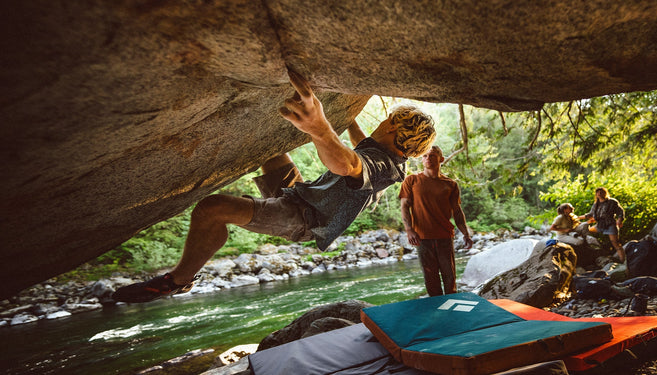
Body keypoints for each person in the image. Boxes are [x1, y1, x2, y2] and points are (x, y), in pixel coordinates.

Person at [112, 71, 436, 303]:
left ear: (393, 126)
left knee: (212, 209)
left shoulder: (384, 169)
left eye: (386, 119)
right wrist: (344, 116)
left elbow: (349, 164)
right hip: (299, 193)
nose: (379, 123)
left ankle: (178, 281)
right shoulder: (385, 151)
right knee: (268, 144)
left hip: (302, 218)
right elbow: (359, 143)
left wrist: (319, 127)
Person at [399, 146, 474, 296]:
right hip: (422, 237)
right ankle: (437, 309)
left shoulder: (451, 184)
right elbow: (404, 206)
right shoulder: (412, 180)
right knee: (430, 277)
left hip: (445, 236)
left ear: (441, 159)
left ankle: (453, 307)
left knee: (449, 276)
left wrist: (466, 233)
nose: (428, 159)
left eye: (432, 155)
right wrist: (409, 230)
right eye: (425, 156)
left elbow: (457, 212)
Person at [577, 187, 626, 262]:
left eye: (601, 192)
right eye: (598, 192)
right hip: (599, 225)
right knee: (585, 231)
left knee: (615, 243)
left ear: (605, 193)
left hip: (610, 225)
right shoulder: (596, 204)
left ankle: (623, 260)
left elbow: (620, 211)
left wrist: (619, 220)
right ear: (596, 194)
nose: (599, 194)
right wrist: (577, 218)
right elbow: (590, 215)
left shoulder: (612, 202)